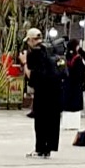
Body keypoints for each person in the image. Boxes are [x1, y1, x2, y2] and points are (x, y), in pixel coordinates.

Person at [25, 28, 62, 158]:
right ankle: (48, 149)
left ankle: (40, 148)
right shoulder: (51, 49)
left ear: (30, 40)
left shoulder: (32, 54)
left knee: (40, 120)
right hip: (56, 90)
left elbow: (31, 75)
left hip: (43, 90)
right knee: (52, 120)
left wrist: (24, 62)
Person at [61, 40, 85, 131]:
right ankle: (74, 124)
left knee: (67, 104)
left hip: (67, 85)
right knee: (75, 104)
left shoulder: (66, 57)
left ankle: (67, 124)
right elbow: (81, 73)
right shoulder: (78, 58)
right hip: (76, 85)